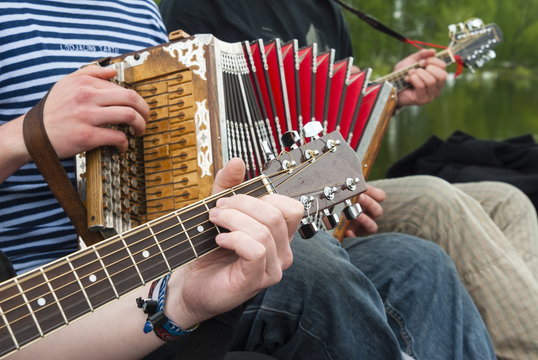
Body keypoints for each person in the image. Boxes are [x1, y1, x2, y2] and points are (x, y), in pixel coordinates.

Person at [0, 1, 495, 359]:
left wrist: (302, 191)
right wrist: (25, 135)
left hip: (167, 240)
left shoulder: (136, 8)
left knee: (416, 262)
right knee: (309, 265)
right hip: (60, 282)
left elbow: (179, 155)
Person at [159, 0, 538, 359]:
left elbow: (334, 116)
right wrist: (327, 189)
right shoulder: (201, 7)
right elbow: (205, 140)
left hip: (331, 184)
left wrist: (388, 100)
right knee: (435, 202)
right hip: (260, 195)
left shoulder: (326, 10)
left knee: (507, 200)